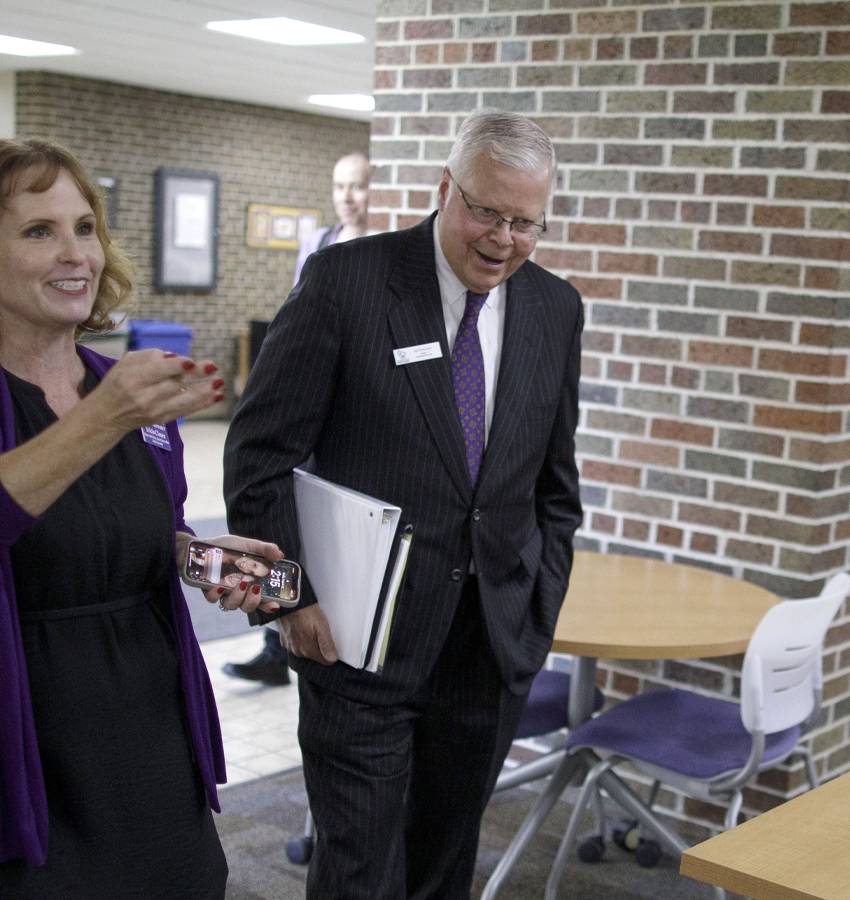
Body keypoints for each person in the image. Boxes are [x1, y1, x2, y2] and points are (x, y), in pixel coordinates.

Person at [0, 137, 285, 898]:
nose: (76, 254)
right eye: (38, 231)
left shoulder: (123, 388)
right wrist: (103, 417)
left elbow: (130, 526)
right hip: (14, 735)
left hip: (147, 729)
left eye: (85, 228)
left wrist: (200, 558)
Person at [225, 108, 584, 900]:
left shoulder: (555, 310)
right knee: (358, 872)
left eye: (527, 222)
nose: (502, 239)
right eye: (486, 211)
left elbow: (556, 488)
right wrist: (291, 600)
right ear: (444, 189)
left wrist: (535, 613)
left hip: (487, 651)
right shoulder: (347, 284)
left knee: (444, 866)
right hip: (355, 642)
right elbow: (259, 458)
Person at [226, 148, 375, 687]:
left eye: (357, 185)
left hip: (356, 405)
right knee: (289, 510)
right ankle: (277, 634)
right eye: (339, 186)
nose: (347, 197)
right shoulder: (319, 245)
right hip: (313, 399)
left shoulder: (384, 252)